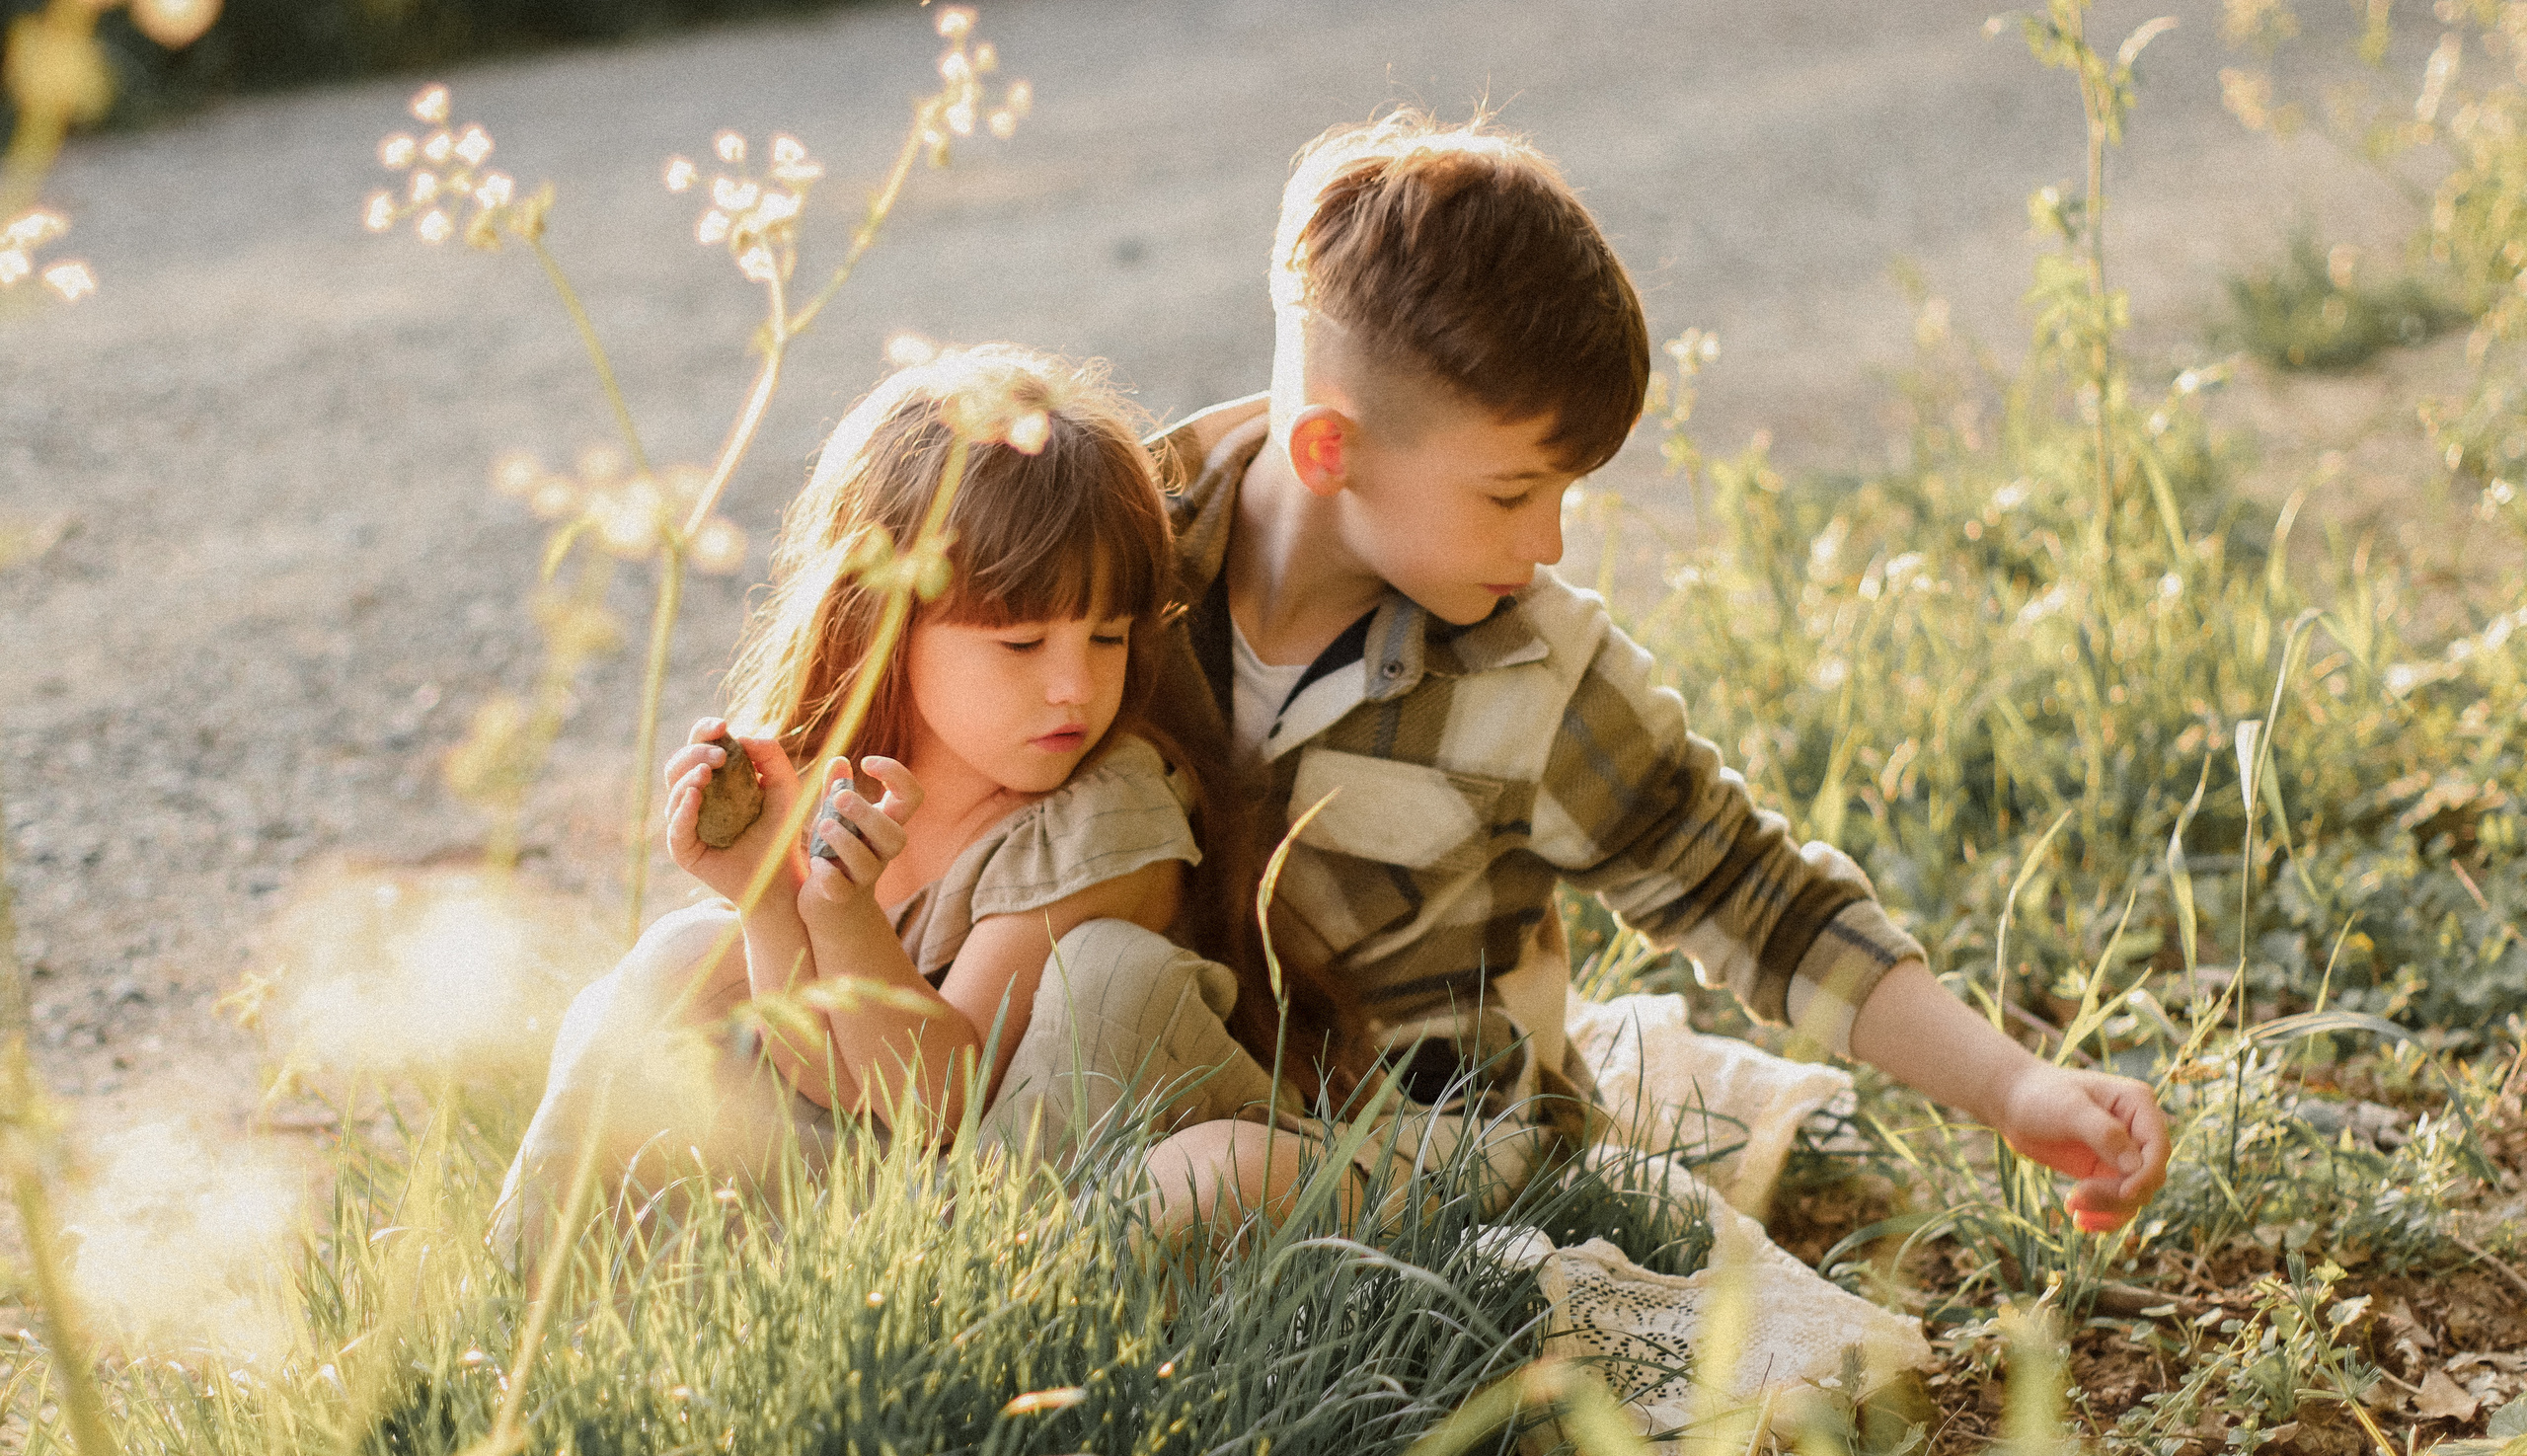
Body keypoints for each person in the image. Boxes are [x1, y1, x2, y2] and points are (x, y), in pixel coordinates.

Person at [1114, 110, 2173, 1242]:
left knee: (1199, 1190)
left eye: (1566, 494)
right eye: (1513, 495)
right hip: (1154, 1077)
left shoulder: (1538, 671)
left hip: (1422, 1160)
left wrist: (2014, 1086)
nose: (1550, 543)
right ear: (1332, 451)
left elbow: (1749, 892)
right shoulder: (1112, 556)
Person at [489, 345, 1276, 1263]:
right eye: (1022, 643)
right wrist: (770, 896)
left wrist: (845, 911)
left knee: (1102, 972)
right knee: (685, 955)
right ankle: (530, 1284)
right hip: (938, 1172)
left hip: (1090, 1159)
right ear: (884, 623)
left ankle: (972, 1296)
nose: (1076, 685)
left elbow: (946, 1097)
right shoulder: (834, 781)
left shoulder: (1107, 815)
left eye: (1107, 637)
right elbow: (823, 1066)